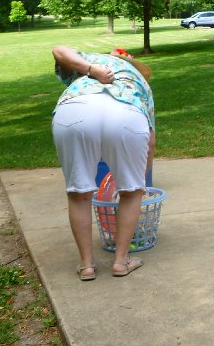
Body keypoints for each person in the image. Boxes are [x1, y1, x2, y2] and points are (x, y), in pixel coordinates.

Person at [51, 46, 155, 279]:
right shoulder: (140, 82)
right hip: (127, 112)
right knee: (130, 192)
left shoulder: (87, 58)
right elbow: (150, 143)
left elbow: (58, 50)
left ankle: (87, 265)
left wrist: (90, 69)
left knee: (79, 193)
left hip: (76, 110)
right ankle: (121, 261)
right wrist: (139, 184)